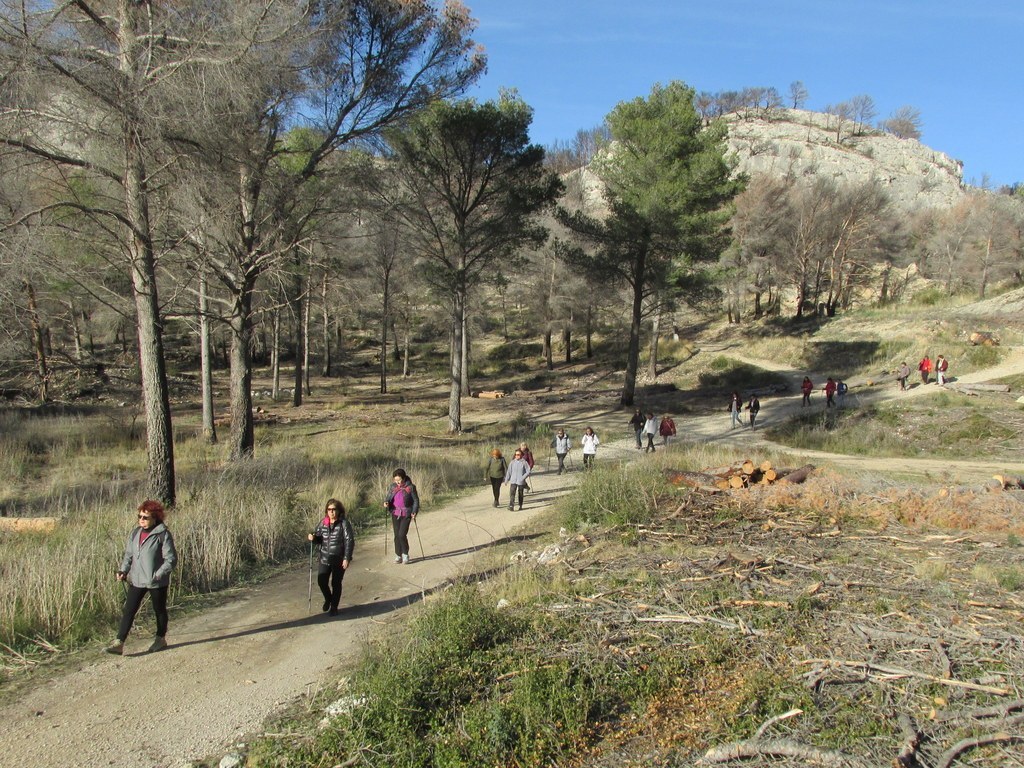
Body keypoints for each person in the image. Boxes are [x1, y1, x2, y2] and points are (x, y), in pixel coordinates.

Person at [106, 500, 177, 655]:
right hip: (137, 579)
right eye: (139, 516)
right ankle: (119, 642)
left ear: (155, 518)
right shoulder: (135, 533)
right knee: (129, 610)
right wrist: (123, 570)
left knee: (159, 610)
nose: (141, 520)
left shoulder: (162, 534)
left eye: (145, 517)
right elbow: (129, 555)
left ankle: (160, 639)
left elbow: (171, 559)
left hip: (156, 582)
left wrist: (157, 575)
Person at [307, 499, 354, 616]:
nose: (331, 512)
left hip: (338, 558)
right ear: (326, 511)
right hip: (324, 557)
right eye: (329, 509)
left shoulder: (344, 523)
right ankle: (328, 598)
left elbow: (349, 541)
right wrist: (313, 538)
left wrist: (346, 558)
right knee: (321, 581)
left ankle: (334, 607)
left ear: (338, 511)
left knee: (336, 583)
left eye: (334, 509)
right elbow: (318, 538)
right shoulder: (323, 523)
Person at [384, 468, 419, 564]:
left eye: (399, 480)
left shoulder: (411, 487)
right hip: (395, 513)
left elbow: (416, 501)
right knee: (396, 535)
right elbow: (388, 497)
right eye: (395, 480)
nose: (397, 482)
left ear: (404, 478)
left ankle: (405, 554)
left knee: (401, 534)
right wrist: (386, 502)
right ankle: (398, 555)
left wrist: (414, 511)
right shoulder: (392, 487)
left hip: (406, 514)